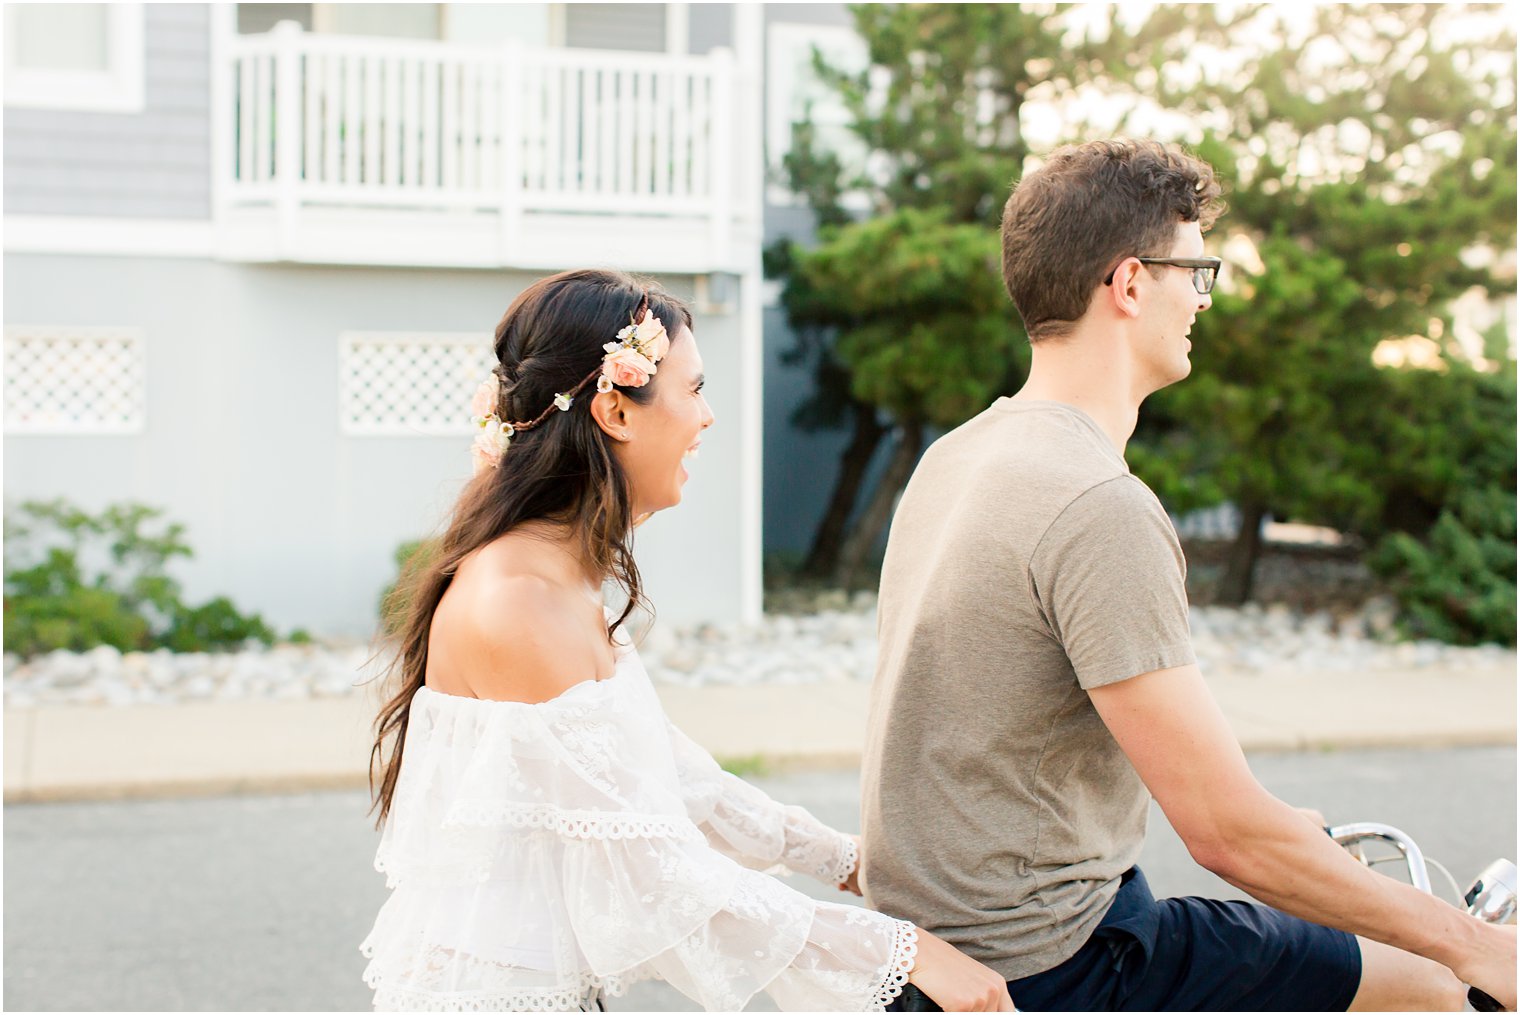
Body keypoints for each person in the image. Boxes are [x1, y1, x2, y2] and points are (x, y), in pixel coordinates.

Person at [859, 139, 1518, 1012]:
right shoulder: (1099, 503)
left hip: (929, 950)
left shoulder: (960, 453)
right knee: (1433, 981)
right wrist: (1480, 947)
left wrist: (1284, 829)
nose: (1201, 298)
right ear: (1131, 284)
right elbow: (1225, 835)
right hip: (1055, 964)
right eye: (1195, 270)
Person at [359, 269, 1013, 1013]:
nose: (706, 417)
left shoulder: (553, 576)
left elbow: (669, 776)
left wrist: (848, 861)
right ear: (616, 410)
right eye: (693, 388)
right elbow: (655, 881)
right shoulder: (519, 602)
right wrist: (904, 952)